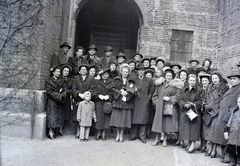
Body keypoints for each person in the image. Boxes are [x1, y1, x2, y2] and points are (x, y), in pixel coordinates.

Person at [211, 70, 240, 163]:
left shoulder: (239, 89)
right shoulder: (232, 88)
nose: (232, 81)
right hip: (223, 115)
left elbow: (238, 104)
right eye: (231, 79)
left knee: (229, 138)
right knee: (223, 136)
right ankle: (224, 154)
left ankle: (228, 156)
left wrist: (230, 112)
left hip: (231, 116)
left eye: (234, 79)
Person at [152, 69, 184, 147]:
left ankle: (165, 140)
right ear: (165, 76)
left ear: (172, 77)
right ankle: (157, 139)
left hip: (168, 106)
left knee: (166, 124)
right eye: (167, 76)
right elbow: (155, 95)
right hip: (159, 106)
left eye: (170, 76)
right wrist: (156, 103)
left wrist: (170, 99)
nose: (168, 77)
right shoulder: (160, 85)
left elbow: (178, 96)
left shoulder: (174, 86)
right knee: (157, 123)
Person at [203, 72, 229, 158]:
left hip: (217, 112)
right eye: (213, 78)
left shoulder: (224, 87)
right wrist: (205, 106)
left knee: (214, 131)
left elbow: (220, 99)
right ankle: (210, 148)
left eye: (216, 78)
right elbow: (205, 97)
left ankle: (214, 150)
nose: (214, 80)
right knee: (208, 131)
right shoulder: (208, 87)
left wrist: (210, 107)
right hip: (208, 111)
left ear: (220, 78)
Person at [177, 74, 204, 153]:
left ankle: (193, 145)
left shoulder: (200, 90)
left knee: (194, 128)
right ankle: (189, 144)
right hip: (185, 111)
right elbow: (179, 98)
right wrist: (184, 104)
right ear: (188, 81)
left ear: (196, 81)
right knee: (186, 128)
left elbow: (201, 100)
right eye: (190, 80)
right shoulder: (183, 89)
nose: (192, 82)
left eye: (193, 81)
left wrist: (193, 104)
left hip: (194, 112)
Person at [128, 63, 155, 144]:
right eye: (140, 70)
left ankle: (142, 136)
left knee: (143, 119)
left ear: (144, 71)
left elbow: (152, 89)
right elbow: (130, 89)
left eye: (142, 70)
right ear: (137, 71)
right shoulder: (133, 79)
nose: (141, 72)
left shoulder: (149, 80)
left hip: (144, 101)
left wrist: (148, 98)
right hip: (136, 100)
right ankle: (133, 135)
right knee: (135, 118)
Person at [110, 64, 135, 142]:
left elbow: (133, 91)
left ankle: (121, 134)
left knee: (124, 120)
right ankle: (117, 134)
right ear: (121, 72)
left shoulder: (131, 81)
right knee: (118, 120)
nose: (125, 73)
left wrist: (127, 94)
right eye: (124, 72)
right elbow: (112, 88)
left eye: (126, 72)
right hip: (118, 102)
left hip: (126, 103)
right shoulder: (116, 79)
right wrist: (120, 92)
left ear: (128, 72)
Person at [72, 64, 96, 138]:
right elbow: (73, 89)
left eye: (85, 69)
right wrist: (79, 94)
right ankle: (78, 131)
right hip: (78, 99)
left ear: (87, 71)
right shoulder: (76, 78)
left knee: (86, 116)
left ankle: (86, 133)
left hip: (88, 100)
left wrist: (87, 95)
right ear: (79, 71)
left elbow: (93, 88)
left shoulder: (91, 78)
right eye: (82, 69)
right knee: (78, 115)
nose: (83, 71)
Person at [45, 65, 68, 139]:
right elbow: (49, 92)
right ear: (53, 72)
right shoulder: (49, 81)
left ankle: (57, 131)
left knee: (59, 116)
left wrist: (63, 95)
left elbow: (65, 89)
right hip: (52, 101)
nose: (59, 73)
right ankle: (50, 132)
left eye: (59, 72)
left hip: (59, 100)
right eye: (57, 72)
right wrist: (59, 95)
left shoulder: (62, 81)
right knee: (52, 116)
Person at [93, 68, 113, 141]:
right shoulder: (97, 82)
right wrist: (98, 96)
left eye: (106, 74)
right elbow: (93, 91)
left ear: (108, 75)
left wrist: (109, 96)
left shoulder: (111, 82)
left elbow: (113, 91)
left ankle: (104, 133)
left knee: (106, 118)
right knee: (99, 118)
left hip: (107, 103)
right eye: (103, 74)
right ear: (100, 75)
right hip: (99, 102)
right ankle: (98, 133)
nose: (105, 76)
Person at [196, 74, 211, 152]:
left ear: (208, 81)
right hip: (200, 110)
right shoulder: (199, 89)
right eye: (203, 81)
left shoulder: (210, 89)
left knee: (205, 128)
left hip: (207, 111)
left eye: (206, 81)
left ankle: (205, 146)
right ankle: (201, 144)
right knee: (201, 128)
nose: (204, 82)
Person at [224, 95, 240, 166]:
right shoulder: (234, 111)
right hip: (233, 133)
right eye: (239, 102)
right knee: (231, 148)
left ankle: (239, 162)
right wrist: (226, 130)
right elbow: (229, 122)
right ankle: (232, 162)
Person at [60, 63, 74, 132]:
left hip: (67, 98)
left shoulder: (71, 80)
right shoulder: (59, 78)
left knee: (66, 112)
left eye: (67, 71)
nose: (66, 72)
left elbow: (72, 88)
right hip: (60, 98)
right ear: (62, 71)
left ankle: (64, 127)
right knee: (60, 112)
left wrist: (67, 91)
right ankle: (59, 128)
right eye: (65, 71)